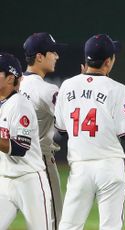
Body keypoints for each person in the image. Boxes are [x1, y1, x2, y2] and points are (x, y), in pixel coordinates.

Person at [54, 34, 125, 230]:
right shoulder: (116, 88)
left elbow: (62, 131)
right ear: (108, 61)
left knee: (69, 226)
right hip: (109, 167)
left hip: (79, 167)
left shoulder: (67, 86)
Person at [19, 32, 66, 230]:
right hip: (39, 161)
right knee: (53, 220)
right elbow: (66, 125)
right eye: (52, 52)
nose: (56, 56)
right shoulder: (46, 90)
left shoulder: (12, 84)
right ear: (39, 57)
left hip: (10, 161)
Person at [0, 52, 52, 230]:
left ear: (10, 78)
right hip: (4, 181)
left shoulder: (20, 104)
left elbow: (19, 148)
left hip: (30, 182)